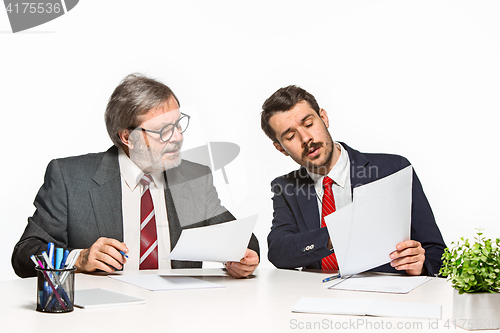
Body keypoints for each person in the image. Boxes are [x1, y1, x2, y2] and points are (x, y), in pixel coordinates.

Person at [12, 73, 259, 278]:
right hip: (103, 316)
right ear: (127, 137)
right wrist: (78, 258)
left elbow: (240, 239)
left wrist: (242, 257)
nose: (177, 138)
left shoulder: (193, 177)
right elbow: (25, 253)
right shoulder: (69, 178)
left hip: (179, 313)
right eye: (162, 130)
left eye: (177, 124)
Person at [260, 85, 445, 276]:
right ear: (281, 148)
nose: (306, 138)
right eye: (290, 136)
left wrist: (421, 264)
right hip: (318, 297)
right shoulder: (286, 187)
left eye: (308, 124)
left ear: (323, 118)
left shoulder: (394, 169)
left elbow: (438, 255)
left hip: (385, 298)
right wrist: (336, 235)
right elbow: (279, 251)